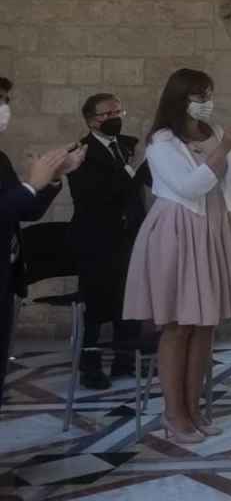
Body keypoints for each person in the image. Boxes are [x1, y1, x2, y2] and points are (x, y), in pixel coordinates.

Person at [123, 68, 231, 443]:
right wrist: (224, 148)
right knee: (178, 325)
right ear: (180, 99)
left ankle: (194, 407)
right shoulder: (161, 142)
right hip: (179, 230)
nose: (206, 103)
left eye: (209, 95)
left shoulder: (214, 132)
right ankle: (173, 414)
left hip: (214, 227)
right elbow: (189, 186)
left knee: (205, 325)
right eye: (199, 96)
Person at [1, 75, 86, 402]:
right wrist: (29, 185)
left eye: (6, 101)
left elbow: (24, 211)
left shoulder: (0, 158)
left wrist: (53, 178)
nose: (4, 109)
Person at [67, 92, 153, 391]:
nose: (115, 117)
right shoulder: (80, 152)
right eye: (108, 113)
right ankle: (90, 367)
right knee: (96, 303)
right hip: (96, 239)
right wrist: (138, 173)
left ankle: (125, 360)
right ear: (92, 120)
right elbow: (92, 196)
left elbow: (135, 191)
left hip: (129, 235)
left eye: (119, 110)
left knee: (128, 299)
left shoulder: (125, 146)